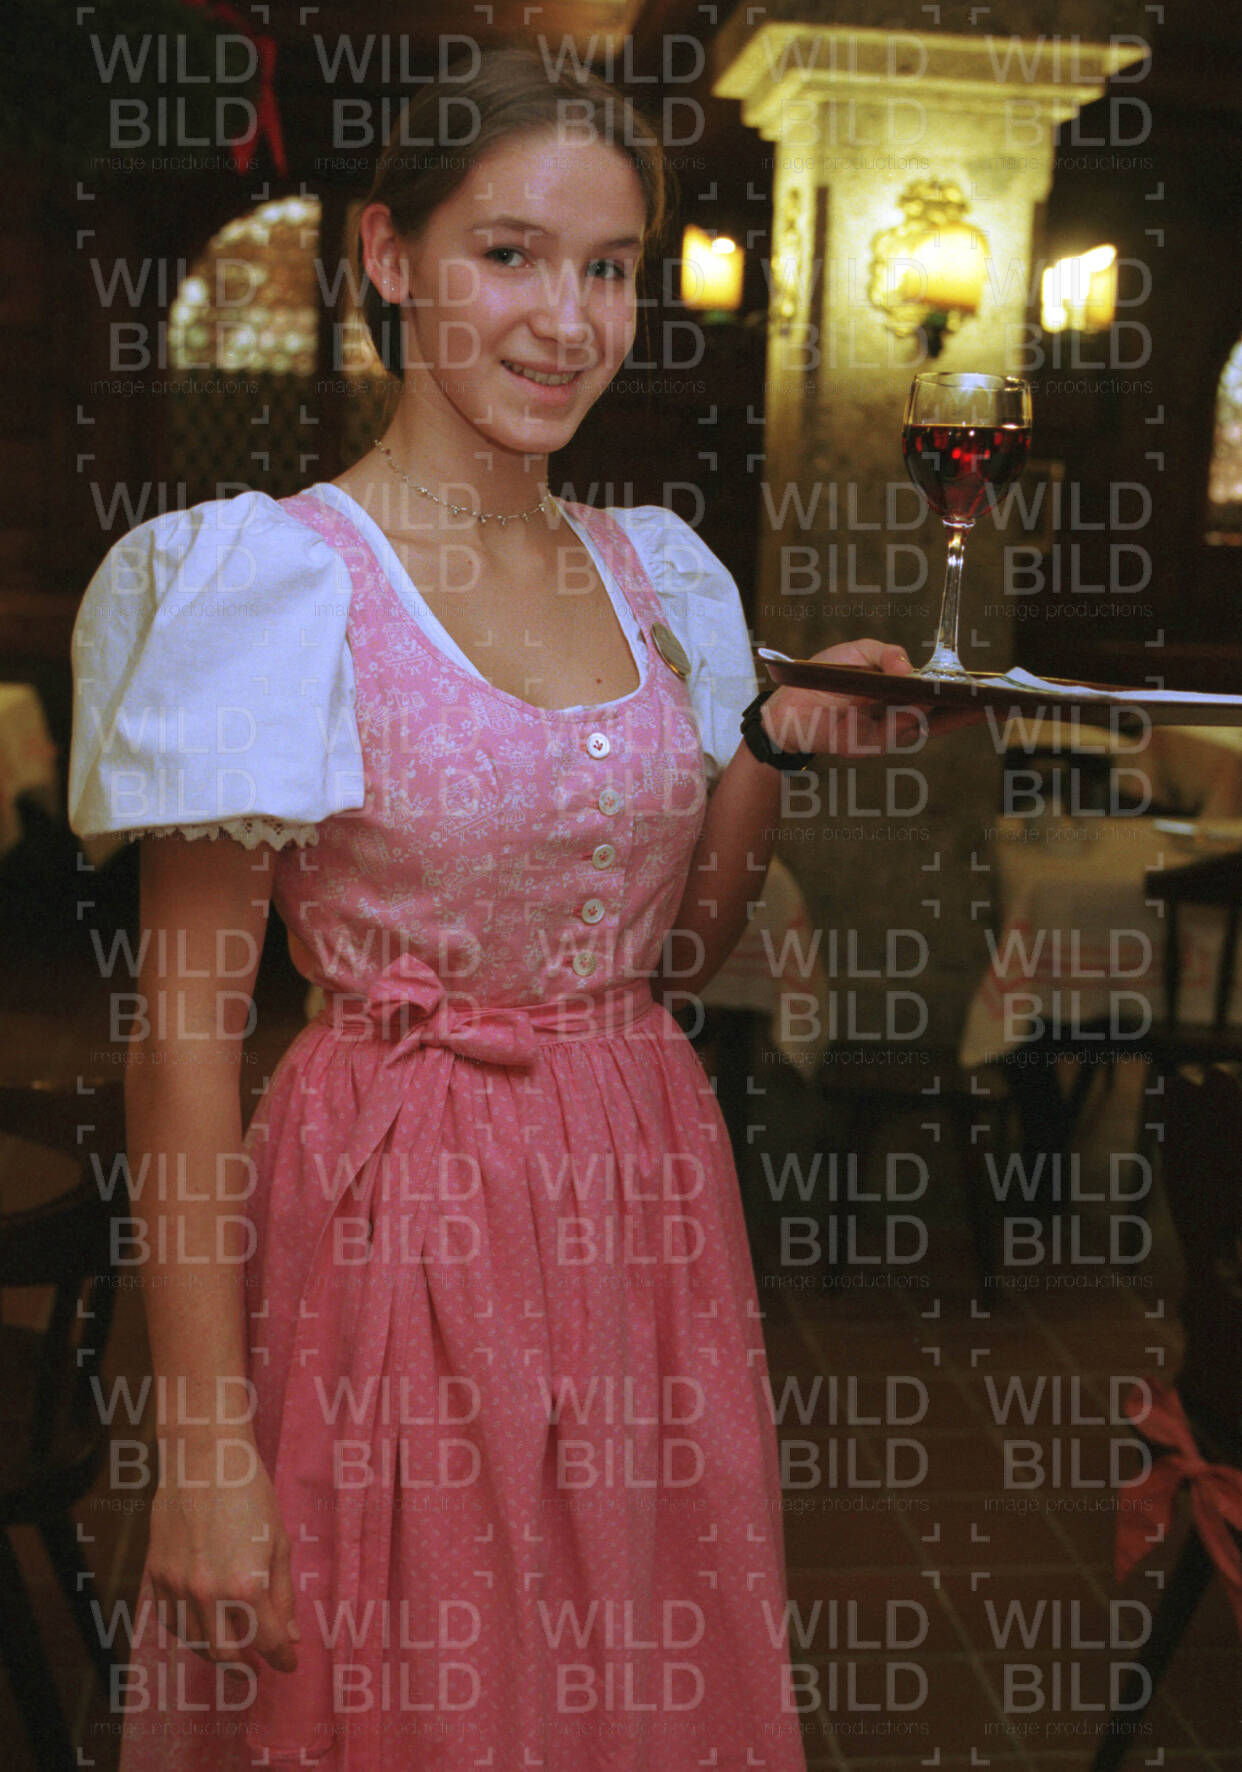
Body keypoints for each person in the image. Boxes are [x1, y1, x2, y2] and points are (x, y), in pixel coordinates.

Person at [68, 44, 950, 1772]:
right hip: (394, 1211)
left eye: (609, 269)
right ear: (388, 255)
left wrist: (770, 741)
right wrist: (206, 1448)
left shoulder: (660, 574)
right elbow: (179, 1047)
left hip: (641, 1194)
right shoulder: (272, 581)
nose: (567, 322)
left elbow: (676, 956)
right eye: (509, 254)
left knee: (622, 1668)